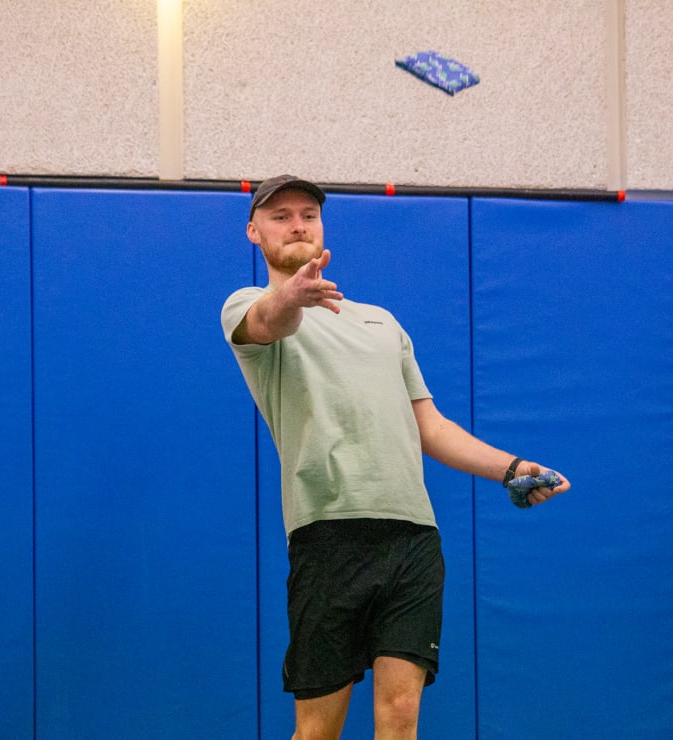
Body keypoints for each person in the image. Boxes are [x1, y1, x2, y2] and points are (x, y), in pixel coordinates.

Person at [220, 174, 570, 740]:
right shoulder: (247, 306)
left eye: (308, 213)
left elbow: (429, 426)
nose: (297, 223)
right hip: (328, 535)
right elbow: (269, 321)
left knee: (401, 717)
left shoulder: (383, 323)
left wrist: (513, 466)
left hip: (412, 540)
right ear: (253, 232)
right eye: (280, 215)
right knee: (317, 730)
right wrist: (293, 295)